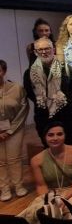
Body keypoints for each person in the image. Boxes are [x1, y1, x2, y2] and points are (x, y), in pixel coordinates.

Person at [18, 122, 72, 224]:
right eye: (50, 135)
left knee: (70, 207)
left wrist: (65, 198)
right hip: (51, 192)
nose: (55, 138)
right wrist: (50, 201)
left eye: (59, 134)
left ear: (65, 135)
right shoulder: (36, 160)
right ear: (45, 137)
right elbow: (41, 185)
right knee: (38, 210)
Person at [24, 38, 72, 146]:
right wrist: (47, 101)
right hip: (44, 117)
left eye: (47, 48)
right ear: (35, 52)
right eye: (40, 49)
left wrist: (60, 100)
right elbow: (30, 93)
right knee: (50, 149)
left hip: (68, 117)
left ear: (53, 50)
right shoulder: (29, 73)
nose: (44, 52)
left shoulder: (66, 68)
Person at [0, 60, 29, 201]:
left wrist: (10, 130)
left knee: (14, 158)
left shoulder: (17, 88)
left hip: (15, 129)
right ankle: (4, 189)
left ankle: (18, 186)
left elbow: (23, 109)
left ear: (4, 71)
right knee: (0, 161)